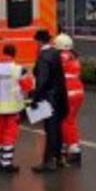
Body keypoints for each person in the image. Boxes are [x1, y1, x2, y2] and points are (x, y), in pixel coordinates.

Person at [30, 29, 67, 174]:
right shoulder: (55, 53)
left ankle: (49, 161)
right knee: (57, 129)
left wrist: (35, 98)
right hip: (59, 97)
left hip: (48, 98)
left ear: (39, 41)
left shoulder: (43, 57)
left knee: (50, 130)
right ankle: (57, 158)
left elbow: (42, 80)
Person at [0, 44, 26, 174]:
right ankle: (6, 164)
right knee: (9, 135)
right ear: (14, 54)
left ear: (3, 53)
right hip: (12, 108)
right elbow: (28, 85)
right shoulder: (19, 70)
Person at [52, 34, 83, 166]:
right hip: (78, 92)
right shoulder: (73, 57)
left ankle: (73, 149)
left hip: (67, 93)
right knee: (69, 120)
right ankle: (65, 146)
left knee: (66, 121)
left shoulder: (60, 57)